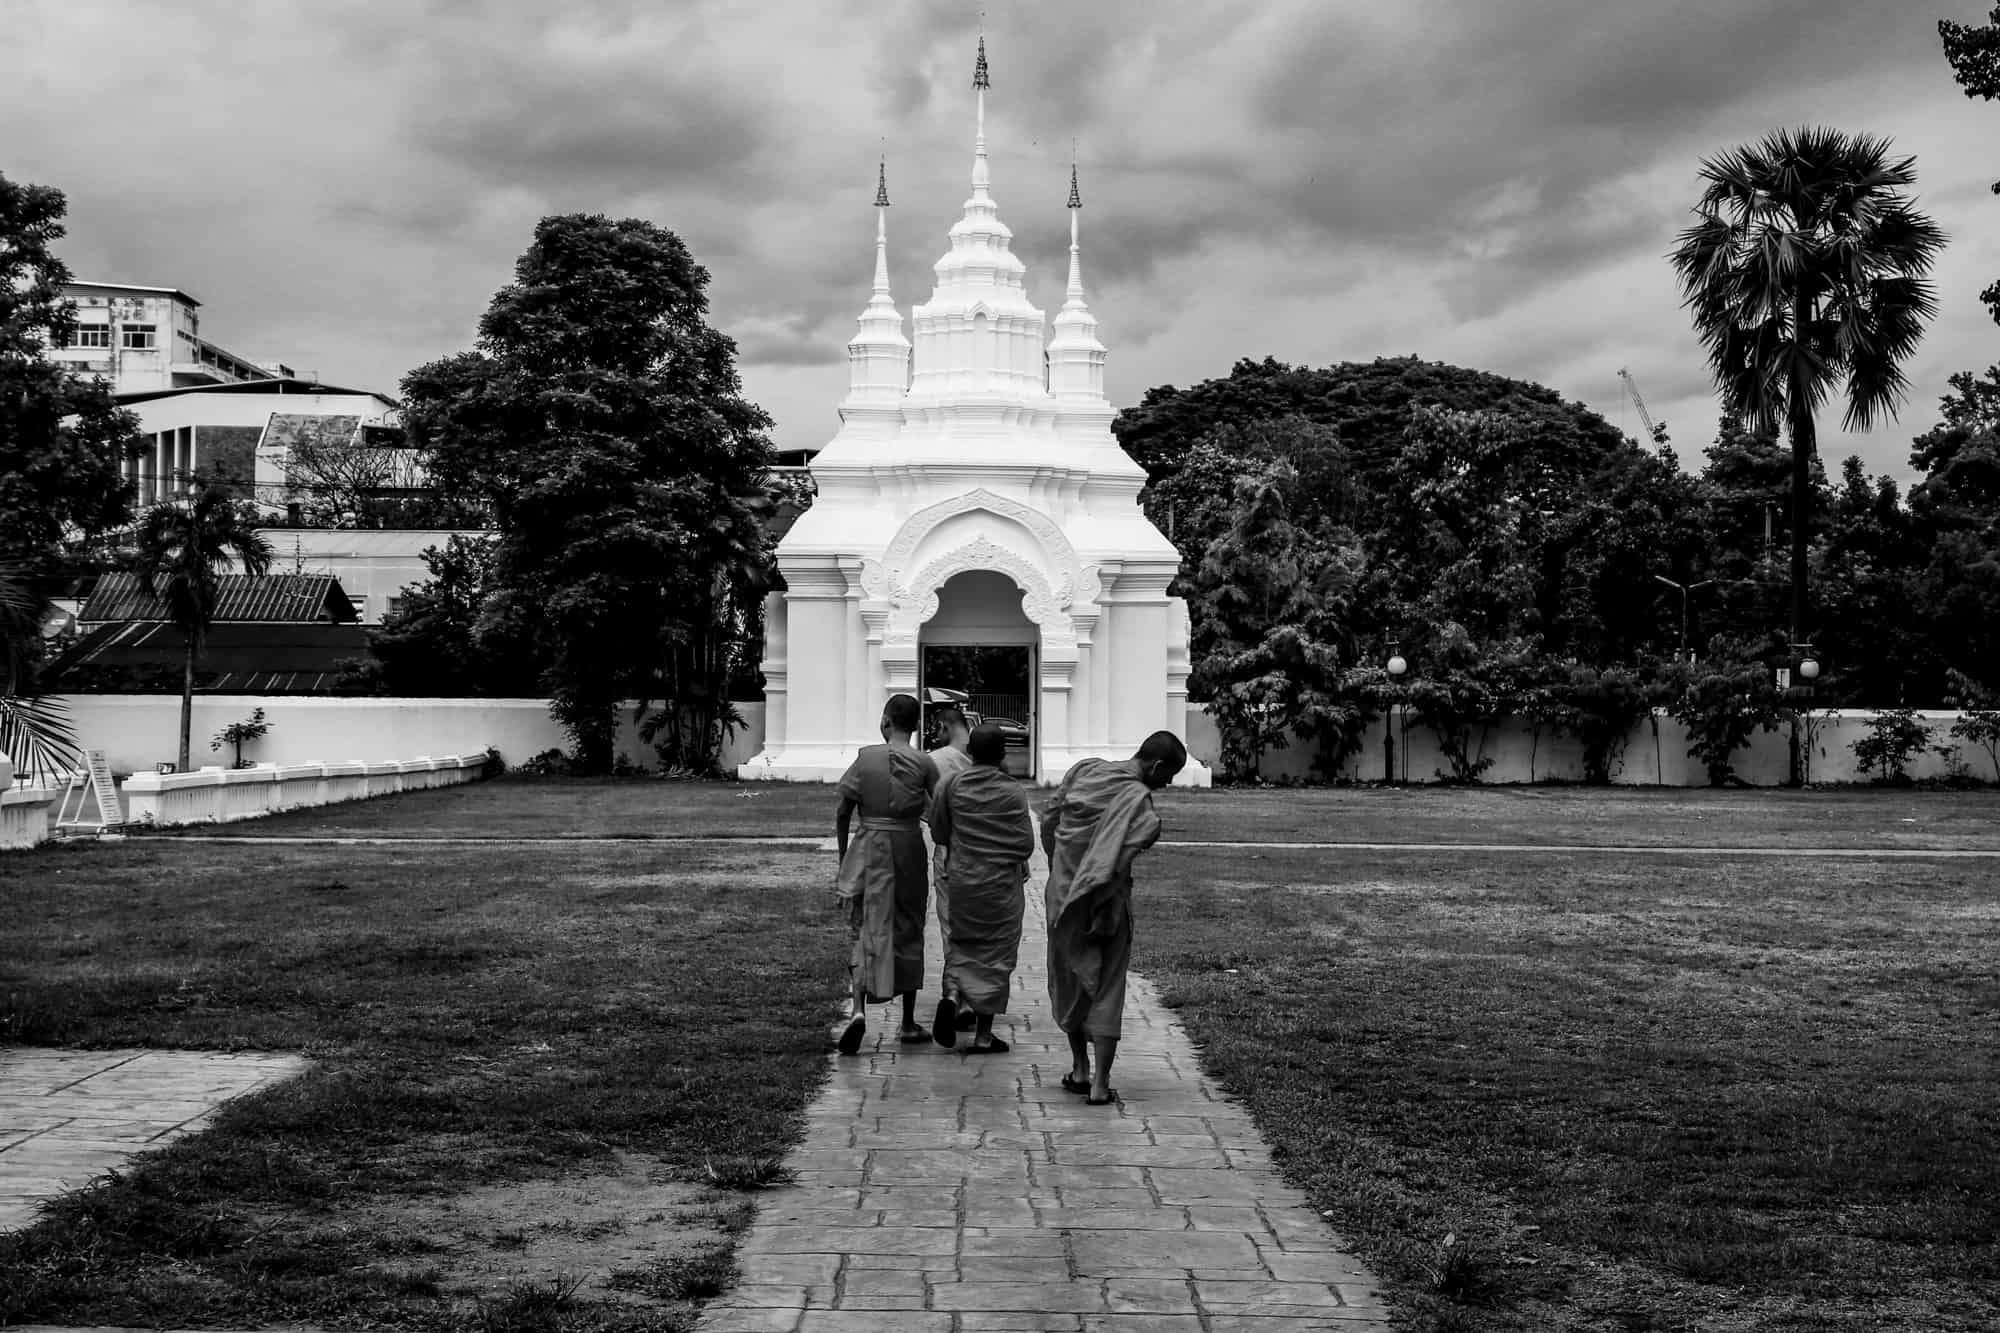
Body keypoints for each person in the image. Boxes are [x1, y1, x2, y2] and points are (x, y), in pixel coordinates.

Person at [1041, 731, 1187, 1104]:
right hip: (1106, 905)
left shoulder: (1084, 771)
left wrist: (1060, 868)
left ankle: (1079, 1069)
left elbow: (1049, 821)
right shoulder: (1141, 807)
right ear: (1156, 766)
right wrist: (1103, 904)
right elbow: (1115, 864)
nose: (1166, 785)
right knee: (1107, 987)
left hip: (1063, 898)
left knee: (1069, 978)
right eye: (1168, 776)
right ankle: (1100, 1084)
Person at [833, 693, 939, 1054]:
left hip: (870, 846)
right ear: (917, 726)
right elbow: (939, 812)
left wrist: (844, 855)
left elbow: (843, 811)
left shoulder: (866, 759)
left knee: (867, 926)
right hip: (908, 846)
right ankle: (907, 1023)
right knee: (909, 927)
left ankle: (859, 1011)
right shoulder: (924, 762)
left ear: (884, 721)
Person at [928, 723, 1035, 1052]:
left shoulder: (951, 783)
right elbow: (1024, 845)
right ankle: (984, 1035)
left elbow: (939, 831)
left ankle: (951, 995)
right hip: (1000, 886)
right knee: (996, 955)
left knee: (962, 943)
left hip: (962, 880)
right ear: (1003, 755)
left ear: (969, 753)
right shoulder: (1012, 791)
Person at [925, 706, 975, 1024]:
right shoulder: (987, 758)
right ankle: (968, 995)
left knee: (950, 927)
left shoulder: (934, 761)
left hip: (949, 849)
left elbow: (920, 804)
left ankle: (954, 993)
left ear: (943, 727)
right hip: (983, 855)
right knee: (976, 928)